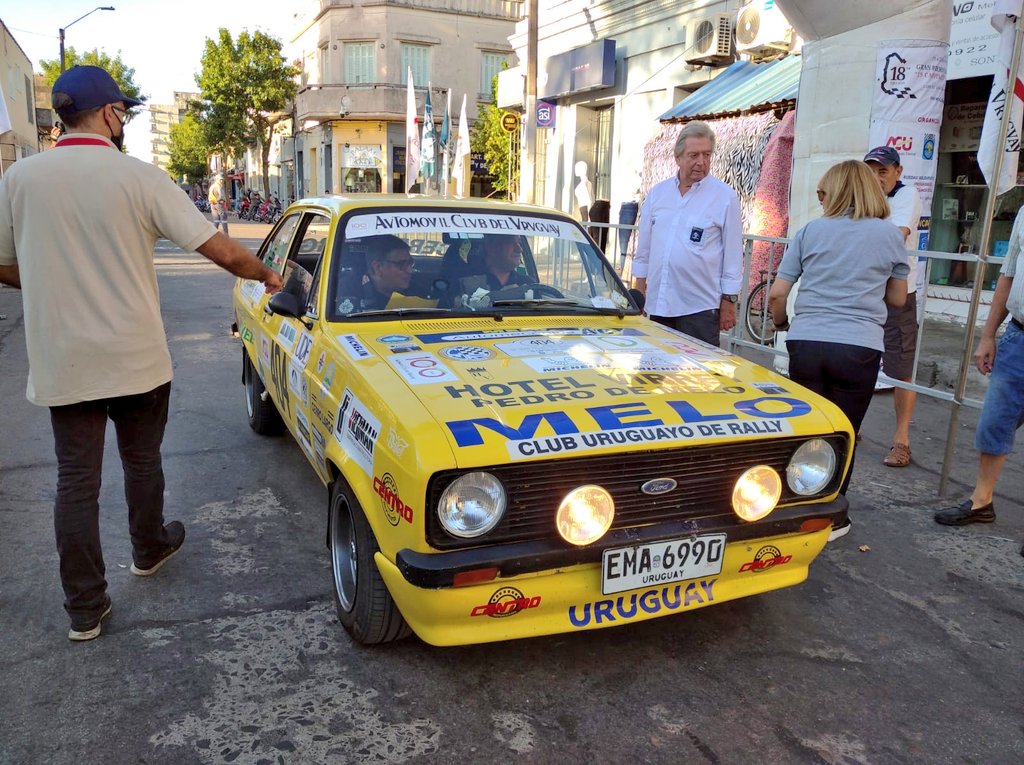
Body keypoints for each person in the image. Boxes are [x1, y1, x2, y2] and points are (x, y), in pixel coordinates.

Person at [0, 65, 283, 641]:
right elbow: (221, 250)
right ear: (109, 114)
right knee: (142, 461)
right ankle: (149, 548)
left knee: (76, 482)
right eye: (122, 111)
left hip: (63, 361)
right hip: (136, 358)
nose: (123, 119)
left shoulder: (19, 179)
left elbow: (4, 265)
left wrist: (56, 281)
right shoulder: (140, 177)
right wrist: (268, 275)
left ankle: (85, 609)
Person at [768, 160, 908, 539]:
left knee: (806, 428)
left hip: (808, 341)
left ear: (834, 193)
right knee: (844, 432)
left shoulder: (810, 231)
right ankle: (832, 517)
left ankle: (794, 506)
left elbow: (778, 293)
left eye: (822, 193)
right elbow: (897, 299)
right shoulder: (890, 235)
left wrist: (782, 324)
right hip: (858, 345)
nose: (820, 199)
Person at [934, 204, 1024, 559]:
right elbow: (1008, 274)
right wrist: (987, 336)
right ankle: (981, 501)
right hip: (1019, 335)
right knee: (995, 422)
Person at [632, 120, 742, 347]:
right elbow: (644, 249)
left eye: (707, 155)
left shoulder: (724, 197)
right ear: (678, 157)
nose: (701, 162)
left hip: (699, 309)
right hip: (659, 305)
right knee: (656, 368)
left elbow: (732, 256)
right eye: (694, 155)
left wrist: (729, 302)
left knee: (699, 370)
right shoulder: (658, 194)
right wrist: (639, 291)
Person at [864, 146, 923, 468]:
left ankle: (902, 441)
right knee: (858, 360)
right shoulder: (863, 199)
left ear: (898, 171)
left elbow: (895, 237)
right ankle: (850, 425)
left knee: (901, 370)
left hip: (898, 296)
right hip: (865, 293)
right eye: (871, 171)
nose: (876, 177)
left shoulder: (906, 195)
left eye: (883, 171)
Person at [360, 234, 414, 310]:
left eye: (410, 263)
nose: (410, 270)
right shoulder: (350, 293)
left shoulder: (420, 292)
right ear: (378, 268)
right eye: (401, 264)